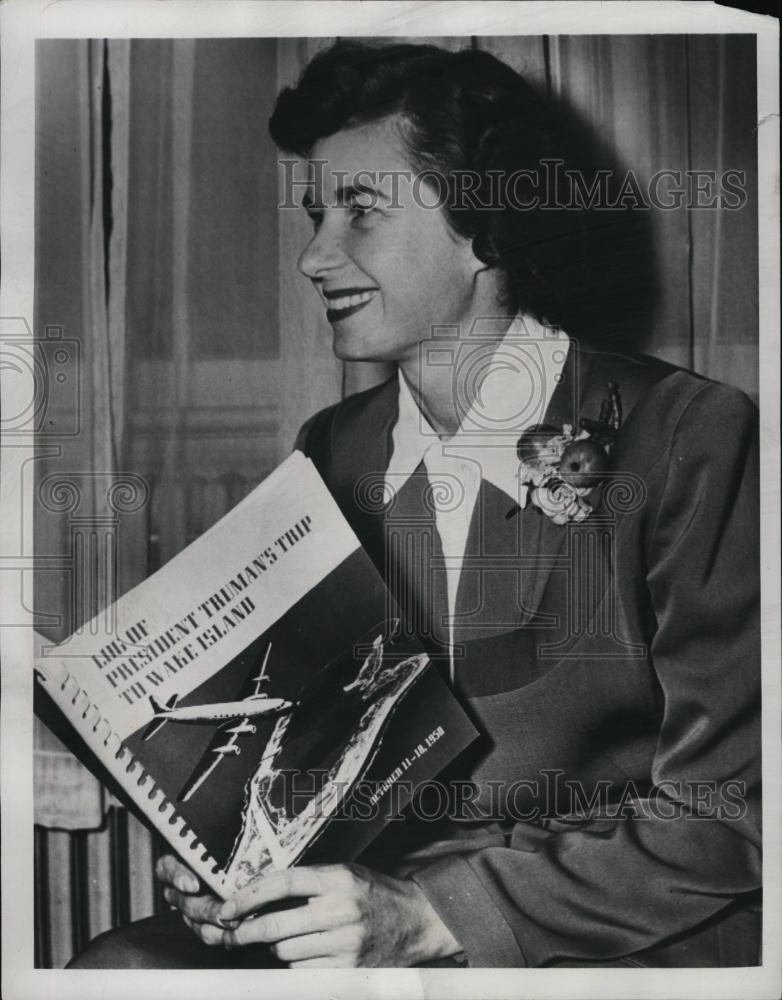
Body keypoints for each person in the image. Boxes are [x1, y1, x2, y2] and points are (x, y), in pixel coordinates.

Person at [70, 40, 760, 969]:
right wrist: (237, 860)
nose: (315, 257)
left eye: (361, 211)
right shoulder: (335, 447)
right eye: (317, 216)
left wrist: (437, 916)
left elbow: (732, 815)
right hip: (376, 909)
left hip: (612, 924)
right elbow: (321, 752)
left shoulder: (686, 435)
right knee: (118, 971)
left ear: (484, 226)